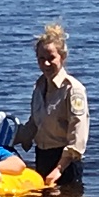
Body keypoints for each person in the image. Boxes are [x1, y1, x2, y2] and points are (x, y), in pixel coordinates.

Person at [13, 22, 89, 186]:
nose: (46, 64)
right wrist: (5, 137)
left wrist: (58, 170)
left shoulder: (73, 90)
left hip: (65, 164)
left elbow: (77, 137)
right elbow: (34, 124)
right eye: (41, 59)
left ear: (62, 56)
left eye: (51, 58)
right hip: (42, 157)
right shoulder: (39, 86)